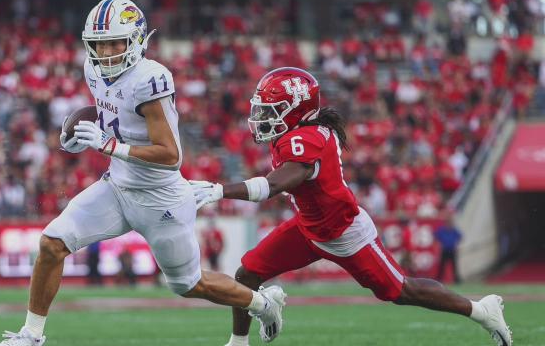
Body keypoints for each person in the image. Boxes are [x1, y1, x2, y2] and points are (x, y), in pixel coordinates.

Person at [0, 0, 285, 346]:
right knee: (52, 244)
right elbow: (112, 117)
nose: (107, 51)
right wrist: (76, 139)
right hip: (117, 186)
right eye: (99, 43)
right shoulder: (92, 68)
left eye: (116, 42)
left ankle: (262, 303)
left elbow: (170, 155)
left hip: (161, 199)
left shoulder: (150, 78)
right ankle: (31, 337)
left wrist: (108, 145)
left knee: (188, 285)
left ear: (137, 40)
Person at [191, 67, 512, 346]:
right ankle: (239, 340)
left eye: (270, 109)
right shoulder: (293, 134)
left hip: (346, 233)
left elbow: (272, 186)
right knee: (247, 273)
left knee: (402, 291)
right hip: (308, 227)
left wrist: (218, 190)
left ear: (296, 110)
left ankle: (481, 310)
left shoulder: (309, 138)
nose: (261, 117)